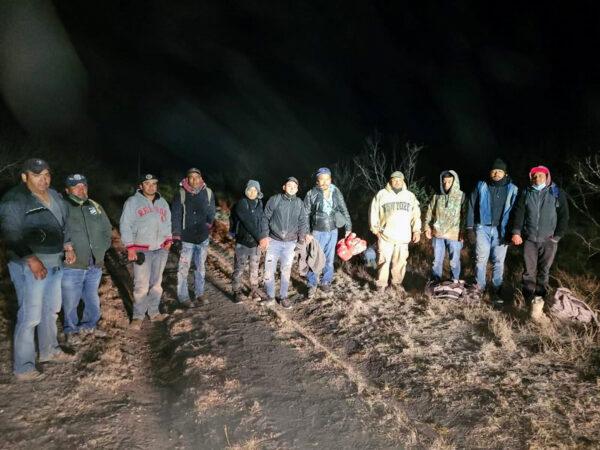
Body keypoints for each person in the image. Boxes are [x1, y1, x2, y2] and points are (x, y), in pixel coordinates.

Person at [0, 158, 75, 381]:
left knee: (50, 310)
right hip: (28, 265)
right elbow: (10, 233)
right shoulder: (14, 199)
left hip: (55, 262)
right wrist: (31, 258)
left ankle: (49, 351)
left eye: (46, 174)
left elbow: (64, 223)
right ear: (24, 177)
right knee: (30, 315)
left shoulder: (55, 196)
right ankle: (23, 368)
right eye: (37, 175)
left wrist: (68, 246)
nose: (43, 179)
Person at [61, 174, 113, 344]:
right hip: (73, 262)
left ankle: (90, 324)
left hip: (95, 261)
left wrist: (103, 247)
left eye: (84, 185)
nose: (81, 189)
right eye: (76, 186)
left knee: (91, 295)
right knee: (71, 297)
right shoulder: (63, 206)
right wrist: (67, 247)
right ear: (67, 190)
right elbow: (57, 228)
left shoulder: (95, 206)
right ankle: (71, 329)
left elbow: (107, 228)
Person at [119, 173, 172, 329]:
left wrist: (169, 239)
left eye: (154, 183)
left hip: (161, 248)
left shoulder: (162, 203)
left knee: (156, 283)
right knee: (141, 285)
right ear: (140, 186)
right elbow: (125, 225)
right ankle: (138, 316)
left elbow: (167, 221)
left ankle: (154, 312)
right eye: (147, 184)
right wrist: (130, 247)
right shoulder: (132, 202)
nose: (151, 186)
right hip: (142, 249)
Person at [511, 165, 569, 303]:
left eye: (540, 176)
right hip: (530, 239)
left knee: (544, 271)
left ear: (547, 177)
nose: (537, 179)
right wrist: (516, 232)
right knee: (528, 272)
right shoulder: (526, 192)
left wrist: (557, 236)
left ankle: (539, 301)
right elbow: (519, 213)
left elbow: (564, 216)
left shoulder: (556, 192)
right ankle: (526, 300)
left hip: (548, 240)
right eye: (534, 176)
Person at [466, 158, 518, 304]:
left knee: (498, 261)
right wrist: (469, 228)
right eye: (494, 170)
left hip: (502, 230)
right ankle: (479, 288)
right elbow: (471, 205)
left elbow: (516, 212)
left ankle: (496, 291)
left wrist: (512, 231)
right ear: (490, 172)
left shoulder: (513, 189)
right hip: (482, 228)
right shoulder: (481, 185)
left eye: (499, 171)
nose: (496, 173)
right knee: (480, 259)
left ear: (505, 173)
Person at [369, 171, 421, 294]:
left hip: (403, 236)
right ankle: (381, 284)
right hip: (385, 235)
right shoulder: (381, 194)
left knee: (400, 262)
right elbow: (373, 212)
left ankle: (396, 284)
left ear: (403, 181)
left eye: (399, 179)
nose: (397, 182)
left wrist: (417, 231)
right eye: (394, 179)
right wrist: (375, 229)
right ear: (390, 180)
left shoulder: (410, 196)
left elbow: (416, 215)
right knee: (383, 260)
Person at [303, 167, 352, 298]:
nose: (324, 182)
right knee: (314, 258)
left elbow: (343, 209)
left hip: (333, 229)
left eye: (327, 179)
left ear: (330, 179)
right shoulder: (311, 193)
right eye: (321, 179)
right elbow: (305, 214)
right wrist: (307, 232)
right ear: (317, 181)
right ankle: (312, 284)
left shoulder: (336, 191)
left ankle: (325, 282)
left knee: (329, 259)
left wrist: (348, 227)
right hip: (317, 230)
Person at [171, 168, 216, 308]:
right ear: (187, 179)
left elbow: (211, 211)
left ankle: (200, 293)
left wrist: (207, 225)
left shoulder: (208, 193)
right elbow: (176, 216)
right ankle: (183, 297)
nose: (194, 180)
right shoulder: (180, 194)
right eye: (191, 177)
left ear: (201, 178)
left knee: (200, 267)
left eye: (197, 177)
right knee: (183, 269)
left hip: (202, 238)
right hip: (186, 239)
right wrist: (176, 236)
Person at [263, 176, 309, 309]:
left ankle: (283, 297)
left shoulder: (299, 203)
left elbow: (303, 222)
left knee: (286, 270)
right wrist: (264, 236)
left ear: (297, 189)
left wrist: (301, 240)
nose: (292, 188)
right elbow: (265, 218)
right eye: (289, 185)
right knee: (269, 270)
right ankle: (270, 296)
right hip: (273, 241)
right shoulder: (275, 199)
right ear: (284, 187)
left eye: (294, 186)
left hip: (290, 243)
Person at [423, 170, 465, 283]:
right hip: (438, 234)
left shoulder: (461, 196)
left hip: (454, 235)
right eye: (444, 182)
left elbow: (465, 215)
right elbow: (429, 212)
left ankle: (454, 281)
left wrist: (463, 231)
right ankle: (435, 281)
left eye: (449, 182)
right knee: (437, 261)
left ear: (454, 182)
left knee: (454, 260)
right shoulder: (437, 196)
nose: (446, 184)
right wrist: (427, 227)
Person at [230, 180, 269, 303]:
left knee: (254, 269)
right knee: (239, 268)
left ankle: (254, 290)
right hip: (242, 243)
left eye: (254, 190)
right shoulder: (241, 203)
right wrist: (260, 238)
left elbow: (263, 221)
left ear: (258, 192)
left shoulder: (259, 204)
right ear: (246, 191)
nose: (252, 192)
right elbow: (248, 222)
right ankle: (236, 291)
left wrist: (265, 236)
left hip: (255, 244)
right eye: (250, 190)